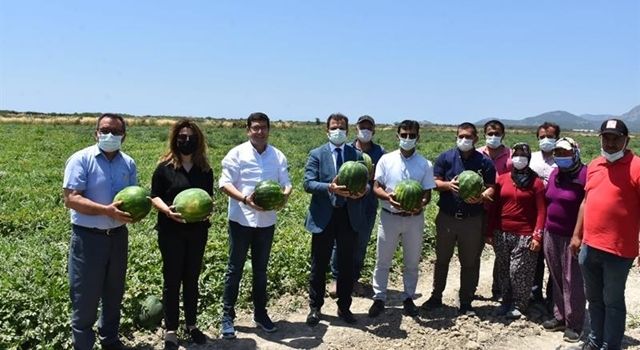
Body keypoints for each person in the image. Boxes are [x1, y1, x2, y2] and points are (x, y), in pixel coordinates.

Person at [63, 113, 136, 350]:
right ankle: (83, 345)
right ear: (96, 132)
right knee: (85, 296)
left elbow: (133, 198)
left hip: (117, 237)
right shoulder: (81, 159)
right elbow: (71, 199)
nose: (110, 135)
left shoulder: (129, 163)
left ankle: (110, 340)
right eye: (105, 130)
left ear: (124, 136)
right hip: (88, 238)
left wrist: (135, 213)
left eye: (116, 131)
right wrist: (107, 211)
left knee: (114, 293)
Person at [218, 112, 292, 339]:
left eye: (263, 128)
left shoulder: (277, 156)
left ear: (269, 130)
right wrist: (244, 199)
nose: (259, 132)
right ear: (248, 130)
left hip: (266, 222)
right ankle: (227, 317)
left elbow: (286, 184)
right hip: (241, 220)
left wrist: (283, 197)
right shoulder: (237, 153)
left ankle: (260, 314)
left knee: (261, 271)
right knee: (235, 269)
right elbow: (224, 183)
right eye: (255, 128)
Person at [569, 119, 640, 350]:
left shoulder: (636, 167)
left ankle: (610, 345)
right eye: (606, 137)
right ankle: (594, 341)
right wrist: (577, 234)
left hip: (619, 250)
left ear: (626, 140)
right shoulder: (595, 165)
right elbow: (586, 202)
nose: (610, 143)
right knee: (595, 300)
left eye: (616, 138)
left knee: (613, 302)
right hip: (589, 246)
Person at [150, 119, 213, 349]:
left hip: (197, 232)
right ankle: (171, 330)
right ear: (175, 139)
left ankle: (192, 325)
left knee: (192, 279)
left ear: (198, 141)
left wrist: (207, 211)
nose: (186, 141)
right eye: (182, 137)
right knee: (172, 279)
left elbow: (207, 199)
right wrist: (166, 210)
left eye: (191, 137)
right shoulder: (164, 167)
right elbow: (154, 195)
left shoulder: (205, 170)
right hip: (170, 231)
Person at [423, 122, 496, 316]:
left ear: (476, 139)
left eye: (469, 137)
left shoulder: (484, 162)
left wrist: (482, 196)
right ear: (456, 136)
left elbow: (492, 187)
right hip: (447, 217)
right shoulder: (445, 157)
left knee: (470, 261)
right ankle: (436, 296)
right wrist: (448, 185)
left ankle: (466, 301)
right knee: (442, 259)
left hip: (473, 220)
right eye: (461, 136)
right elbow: (434, 182)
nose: (465, 140)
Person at [303, 113, 368, 326]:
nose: (337, 131)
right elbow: (308, 183)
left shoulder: (356, 155)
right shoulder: (317, 154)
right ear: (327, 130)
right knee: (319, 263)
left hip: (348, 215)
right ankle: (315, 307)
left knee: (346, 264)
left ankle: (344, 307)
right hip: (324, 216)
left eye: (341, 128)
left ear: (347, 131)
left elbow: (365, 182)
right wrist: (329, 187)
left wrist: (362, 192)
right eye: (334, 127)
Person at [367, 120, 435, 318]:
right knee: (383, 260)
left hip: (414, 219)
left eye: (411, 135)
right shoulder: (386, 160)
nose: (407, 138)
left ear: (418, 137)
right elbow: (376, 187)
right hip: (389, 217)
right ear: (397, 136)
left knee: (412, 261)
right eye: (404, 134)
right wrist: (388, 198)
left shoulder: (425, 164)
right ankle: (379, 298)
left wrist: (419, 204)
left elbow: (427, 194)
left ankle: (408, 298)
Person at [488, 143, 546, 319]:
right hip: (502, 232)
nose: (519, 158)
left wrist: (537, 235)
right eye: (517, 154)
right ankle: (506, 301)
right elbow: (494, 207)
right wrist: (489, 231)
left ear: (528, 158)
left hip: (525, 233)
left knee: (518, 270)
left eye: (523, 155)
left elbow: (542, 211)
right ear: (511, 157)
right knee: (504, 269)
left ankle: (520, 304)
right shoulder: (502, 179)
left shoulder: (536, 183)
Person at [329, 115, 385, 298]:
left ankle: (354, 279)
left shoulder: (380, 152)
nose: (365, 131)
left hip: (367, 204)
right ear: (356, 129)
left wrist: (370, 178)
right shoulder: (348, 149)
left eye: (369, 127)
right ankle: (337, 279)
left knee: (360, 242)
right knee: (340, 243)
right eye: (363, 127)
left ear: (374, 130)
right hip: (345, 204)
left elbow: (380, 179)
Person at [540, 137, 586, 343]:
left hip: (572, 236)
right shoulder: (554, 174)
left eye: (565, 153)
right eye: (558, 153)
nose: (561, 156)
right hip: (552, 232)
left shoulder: (584, 175)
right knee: (557, 277)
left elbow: (588, 207)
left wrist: (579, 235)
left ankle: (575, 323)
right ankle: (559, 316)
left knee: (573, 280)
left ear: (575, 152)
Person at [477, 119, 512, 300]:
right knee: (475, 249)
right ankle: (469, 289)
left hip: (501, 209)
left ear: (503, 135)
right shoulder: (476, 154)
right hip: (478, 208)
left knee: (501, 251)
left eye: (497, 133)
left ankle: (498, 289)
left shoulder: (511, 155)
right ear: (484, 135)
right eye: (490, 133)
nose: (493, 136)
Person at [529, 121, 560, 304]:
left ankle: (553, 297)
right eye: (542, 137)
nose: (546, 140)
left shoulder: (563, 158)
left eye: (550, 137)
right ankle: (534, 294)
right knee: (535, 257)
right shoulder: (531, 158)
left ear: (557, 138)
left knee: (554, 259)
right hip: (533, 215)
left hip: (555, 215)